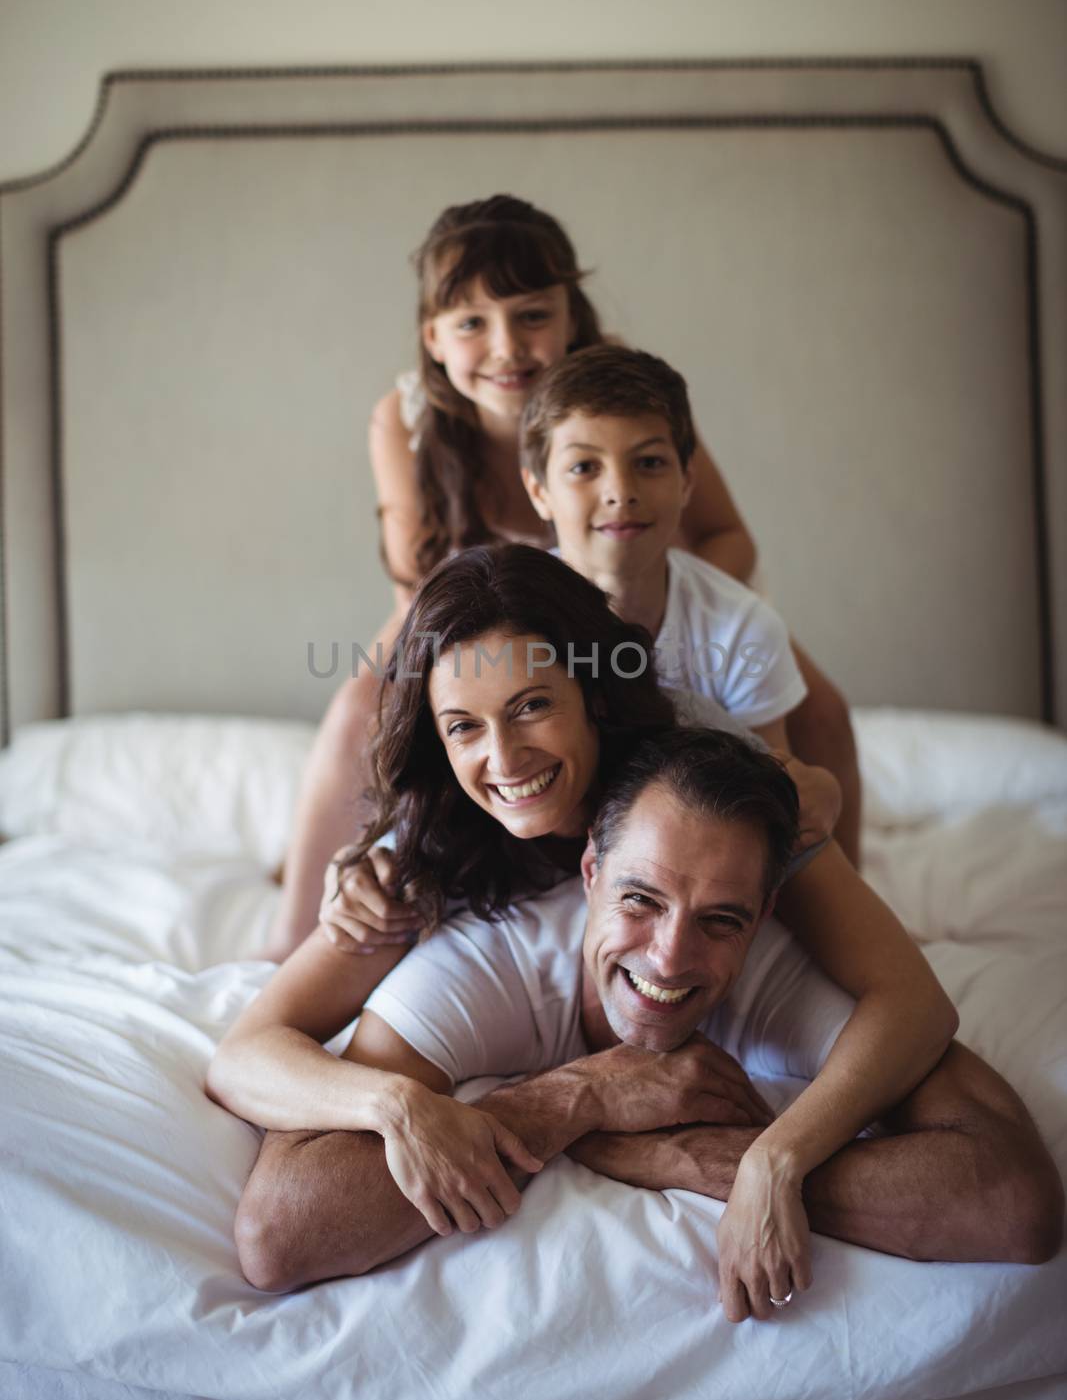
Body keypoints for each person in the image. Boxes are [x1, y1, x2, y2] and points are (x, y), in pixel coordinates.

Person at [209, 547, 959, 1309]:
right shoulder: (427, 848)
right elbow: (245, 1055)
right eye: (463, 725)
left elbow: (912, 999)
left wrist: (775, 1160)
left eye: (532, 704)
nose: (503, 758)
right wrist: (395, 1106)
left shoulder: (702, 794)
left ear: (593, 694)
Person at [230, 729, 1063, 1315]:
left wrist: (718, 1163)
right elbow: (279, 1235)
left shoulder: (777, 963)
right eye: (638, 900)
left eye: (719, 920)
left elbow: (1016, 1203)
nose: (669, 959)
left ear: (765, 910)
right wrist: (575, 1098)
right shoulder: (491, 960)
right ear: (589, 871)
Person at [264, 194, 860, 958]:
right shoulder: (406, 420)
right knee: (360, 705)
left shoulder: (622, 400)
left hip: (650, 585)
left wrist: (659, 614)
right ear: (434, 339)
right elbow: (416, 582)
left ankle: (849, 898)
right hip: (476, 611)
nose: (507, 346)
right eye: (473, 322)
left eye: (531, 315)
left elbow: (724, 531)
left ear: (571, 316)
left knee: (822, 709)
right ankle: (300, 921)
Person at [518, 341, 806, 752]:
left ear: (687, 480)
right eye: (584, 467)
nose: (620, 492)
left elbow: (772, 793)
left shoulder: (741, 628)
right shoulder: (509, 622)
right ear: (539, 490)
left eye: (649, 462)